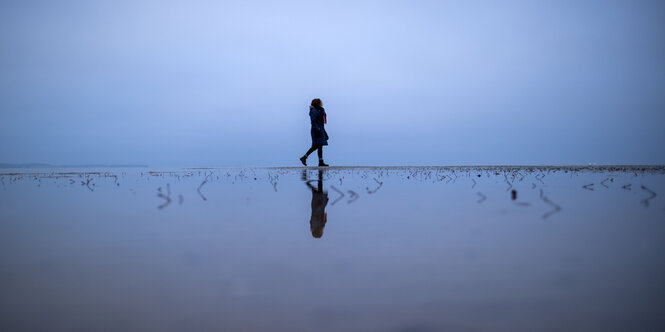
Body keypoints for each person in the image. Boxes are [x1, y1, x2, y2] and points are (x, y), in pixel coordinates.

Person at [300, 98, 329, 167]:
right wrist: (318, 130)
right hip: (316, 130)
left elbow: (321, 123)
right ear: (317, 103)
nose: (321, 104)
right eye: (320, 102)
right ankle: (304, 157)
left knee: (320, 146)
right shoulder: (314, 111)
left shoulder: (320, 111)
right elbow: (313, 122)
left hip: (320, 129)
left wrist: (325, 133)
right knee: (317, 145)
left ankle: (321, 161)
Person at [302, 169, 329, 238]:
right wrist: (324, 204)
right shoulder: (319, 225)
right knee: (318, 191)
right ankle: (320, 174)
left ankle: (319, 174)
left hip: (317, 206)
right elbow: (324, 216)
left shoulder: (316, 225)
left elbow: (317, 215)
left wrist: (320, 205)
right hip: (319, 206)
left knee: (318, 192)